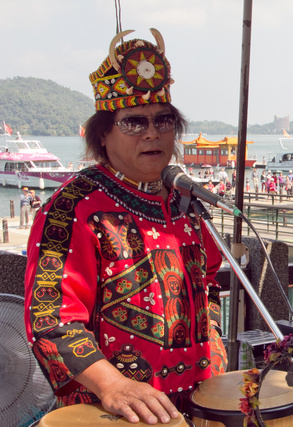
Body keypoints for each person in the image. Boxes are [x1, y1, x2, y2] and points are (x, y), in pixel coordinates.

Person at [24, 29, 227, 425]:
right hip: (116, 414)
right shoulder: (71, 209)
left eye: (163, 120)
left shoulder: (184, 202)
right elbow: (51, 321)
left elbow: (211, 279)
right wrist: (113, 385)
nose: (153, 133)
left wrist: (213, 337)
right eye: (134, 122)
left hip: (201, 401)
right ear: (103, 133)